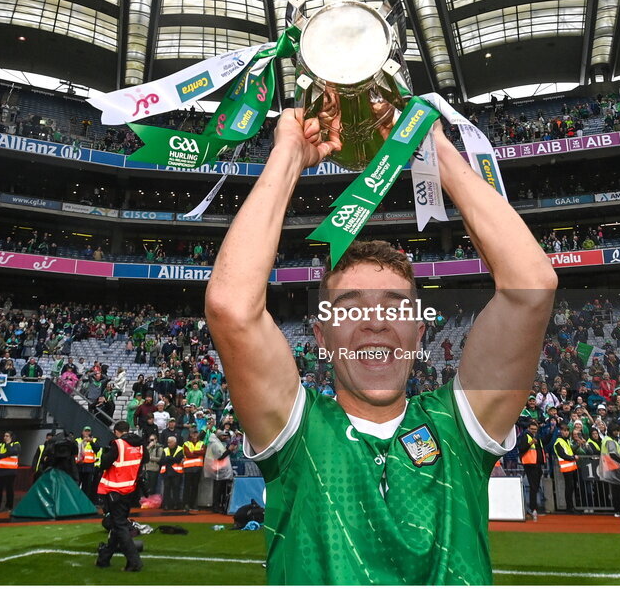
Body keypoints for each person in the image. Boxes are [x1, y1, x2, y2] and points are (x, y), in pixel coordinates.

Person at [205, 110, 556, 583]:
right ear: (321, 336)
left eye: (395, 306)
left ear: (419, 331)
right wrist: (288, 153)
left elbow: (530, 285)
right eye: (349, 306)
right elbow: (231, 307)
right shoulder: (296, 432)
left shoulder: (461, 429)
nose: (373, 321)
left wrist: (434, 147)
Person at [96, 420, 146, 572]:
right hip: (129, 489)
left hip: (115, 490)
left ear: (117, 431)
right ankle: (104, 559)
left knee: (120, 526)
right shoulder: (140, 445)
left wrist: (105, 456)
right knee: (118, 524)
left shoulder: (118, 444)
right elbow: (145, 460)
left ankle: (134, 562)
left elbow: (104, 463)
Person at [600, 423, 620, 518]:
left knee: (616, 491)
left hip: (611, 468)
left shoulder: (607, 440)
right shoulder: (610, 441)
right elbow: (613, 454)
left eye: (617, 431)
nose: (616, 433)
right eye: (615, 431)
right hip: (616, 468)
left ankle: (618, 510)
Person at [517, 420, 545, 520]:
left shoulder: (537, 437)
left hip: (537, 464)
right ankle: (533, 509)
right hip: (530, 464)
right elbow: (521, 448)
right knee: (533, 487)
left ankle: (534, 508)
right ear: (528, 428)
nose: (534, 431)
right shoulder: (526, 436)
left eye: (535, 429)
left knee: (535, 487)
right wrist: (530, 443)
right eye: (532, 429)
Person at [553, 423, 579, 512]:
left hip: (571, 467)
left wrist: (578, 446)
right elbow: (562, 455)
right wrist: (572, 458)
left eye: (567, 431)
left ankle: (571, 506)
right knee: (569, 487)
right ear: (560, 431)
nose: (566, 432)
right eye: (565, 431)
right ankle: (569, 507)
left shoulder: (566, 441)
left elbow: (569, 451)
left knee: (571, 487)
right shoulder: (558, 442)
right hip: (566, 467)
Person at [0, 430, 20, 511]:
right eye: (4, 436)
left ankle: (9, 506)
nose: (5, 437)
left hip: (10, 471)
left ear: (11, 437)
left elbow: (13, 451)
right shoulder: (0, 445)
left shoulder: (16, 444)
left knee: (9, 490)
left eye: (7, 436)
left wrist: (7, 444)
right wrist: (5, 455)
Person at [181, 428, 205, 513]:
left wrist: (193, 452)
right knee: (187, 487)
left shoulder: (201, 443)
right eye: (193, 434)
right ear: (190, 435)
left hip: (197, 468)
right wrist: (197, 452)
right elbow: (188, 454)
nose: (194, 435)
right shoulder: (186, 443)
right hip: (188, 468)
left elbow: (203, 452)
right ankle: (186, 504)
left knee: (195, 487)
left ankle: (193, 504)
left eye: (196, 434)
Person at [76, 426, 100, 503]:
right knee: (77, 484)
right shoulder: (78, 440)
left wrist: (91, 442)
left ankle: (85, 501)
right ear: (82, 432)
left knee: (87, 486)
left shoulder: (94, 440)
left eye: (88, 431)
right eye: (85, 431)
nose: (87, 433)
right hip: (79, 465)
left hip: (89, 466)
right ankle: (76, 501)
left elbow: (97, 449)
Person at [159, 436, 183, 510]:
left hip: (176, 473)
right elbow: (161, 461)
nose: (168, 444)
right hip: (167, 472)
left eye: (170, 442)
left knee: (176, 489)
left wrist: (168, 458)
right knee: (166, 490)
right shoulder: (165, 449)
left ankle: (176, 505)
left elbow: (178, 459)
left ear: (174, 442)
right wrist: (171, 459)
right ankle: (166, 505)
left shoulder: (180, 449)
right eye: (168, 442)